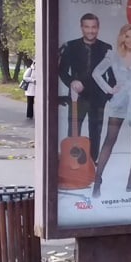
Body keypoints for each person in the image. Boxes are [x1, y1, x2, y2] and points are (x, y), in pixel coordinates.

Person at [90, 24, 131, 195]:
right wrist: (109, 89)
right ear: (122, 37)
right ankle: (97, 179)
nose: (130, 40)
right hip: (120, 100)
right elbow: (96, 73)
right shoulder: (113, 55)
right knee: (110, 139)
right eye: (127, 36)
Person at [57, 14, 114, 162]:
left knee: (95, 132)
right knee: (73, 132)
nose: (90, 31)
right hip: (77, 97)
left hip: (98, 98)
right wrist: (72, 81)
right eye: (87, 27)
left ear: (98, 28)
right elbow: (62, 70)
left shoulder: (106, 48)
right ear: (81, 27)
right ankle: (73, 164)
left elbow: (112, 74)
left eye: (93, 27)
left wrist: (108, 95)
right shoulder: (71, 46)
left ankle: (92, 163)